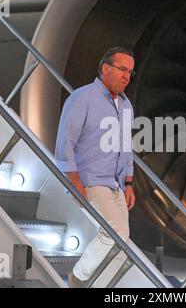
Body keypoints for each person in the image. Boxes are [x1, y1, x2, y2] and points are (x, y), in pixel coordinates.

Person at [55, 46, 136, 287]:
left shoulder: (126, 106)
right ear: (105, 69)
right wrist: (73, 180)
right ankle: (78, 278)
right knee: (115, 234)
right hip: (90, 180)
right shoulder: (82, 97)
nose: (126, 76)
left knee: (124, 245)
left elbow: (126, 147)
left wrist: (129, 182)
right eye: (122, 69)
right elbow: (65, 141)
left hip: (116, 183)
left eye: (131, 72)